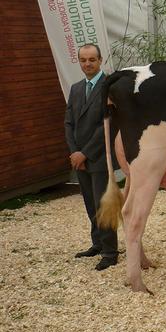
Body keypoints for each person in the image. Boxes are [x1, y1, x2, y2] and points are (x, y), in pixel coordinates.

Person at [64, 44, 119, 270]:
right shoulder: (76, 88)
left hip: (99, 156)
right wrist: (75, 151)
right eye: (83, 60)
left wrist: (85, 152)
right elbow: (69, 123)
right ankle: (97, 243)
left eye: (92, 60)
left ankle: (110, 251)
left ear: (100, 60)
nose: (87, 64)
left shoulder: (109, 87)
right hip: (80, 159)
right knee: (89, 203)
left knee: (103, 204)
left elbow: (107, 124)